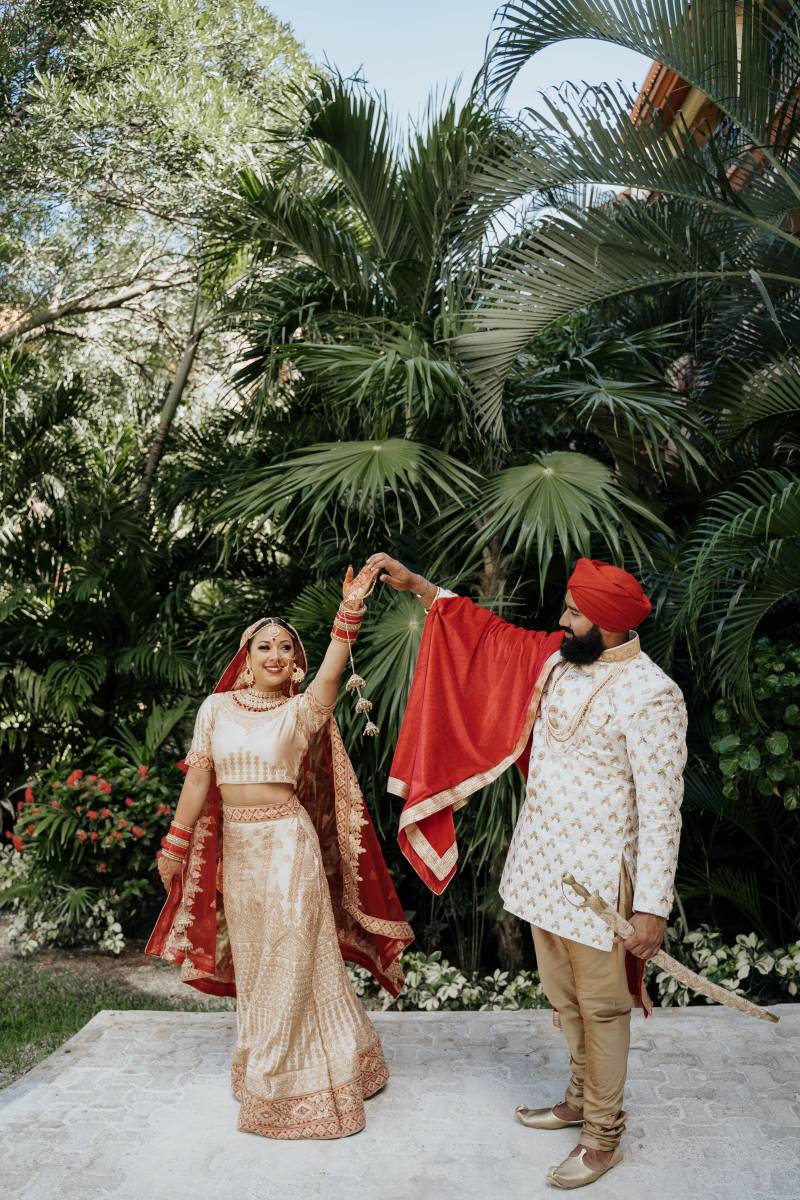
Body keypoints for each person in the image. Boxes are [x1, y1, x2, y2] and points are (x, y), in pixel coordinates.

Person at [368, 552, 687, 1189]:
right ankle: (577, 1097)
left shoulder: (653, 695)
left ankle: (603, 1135)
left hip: (600, 882)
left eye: (574, 612)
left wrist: (651, 906)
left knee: (601, 1007)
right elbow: (488, 639)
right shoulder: (559, 662)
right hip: (542, 867)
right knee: (563, 997)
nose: (561, 620)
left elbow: (662, 810)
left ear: (611, 623)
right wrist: (422, 587)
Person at [146, 564, 413, 1140]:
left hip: (289, 844)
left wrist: (351, 611)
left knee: (296, 953)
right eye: (263, 645)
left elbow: (334, 669)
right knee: (261, 958)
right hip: (238, 849)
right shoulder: (214, 711)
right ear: (245, 657)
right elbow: (198, 780)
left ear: (295, 661)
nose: (274, 653)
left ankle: (292, 1081)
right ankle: (319, 1053)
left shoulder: (302, 711)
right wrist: (176, 837)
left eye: (285, 647)